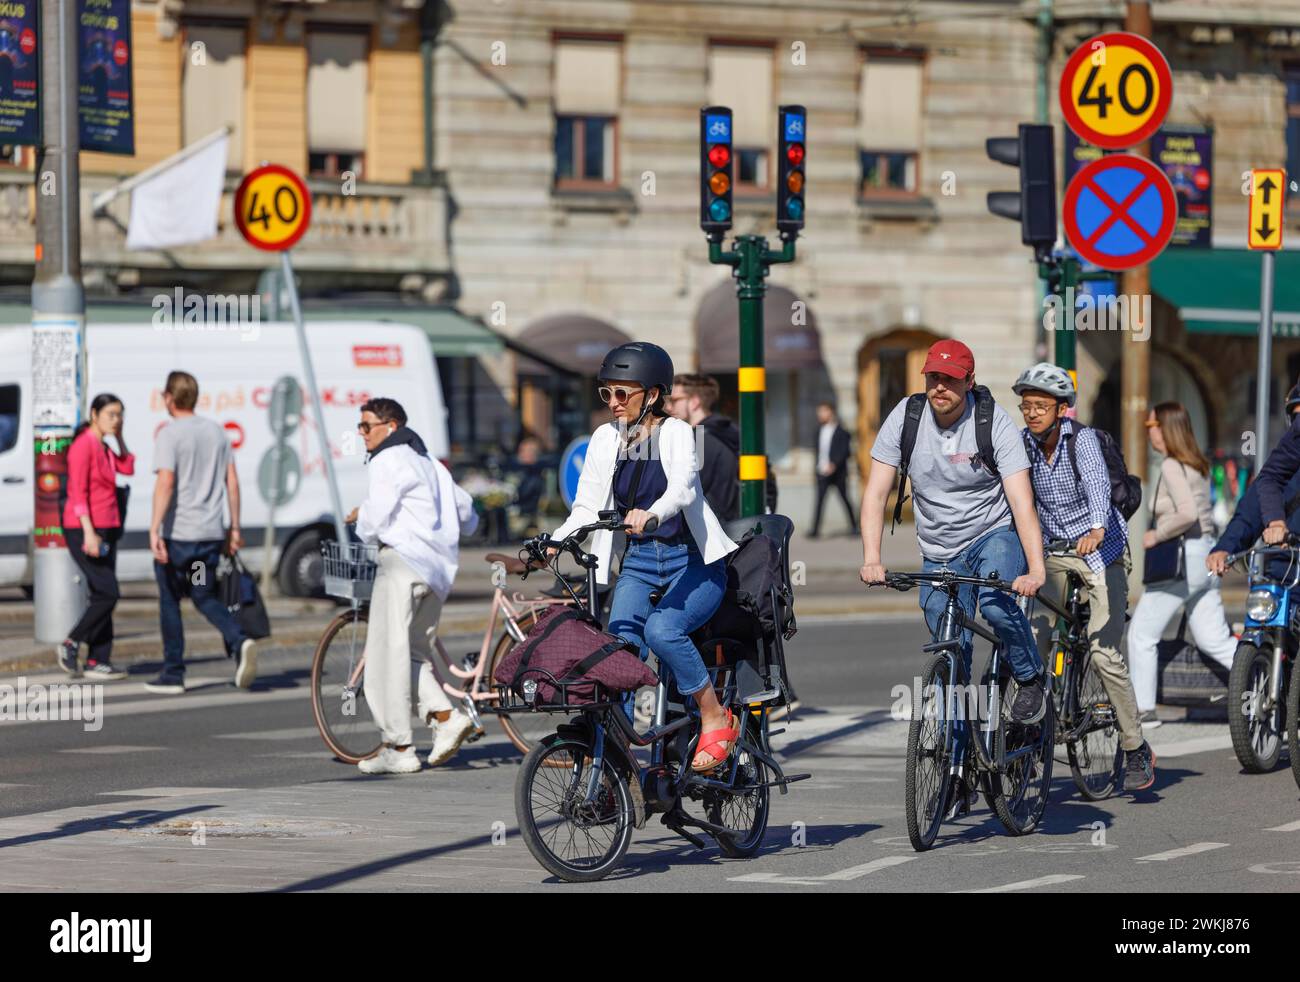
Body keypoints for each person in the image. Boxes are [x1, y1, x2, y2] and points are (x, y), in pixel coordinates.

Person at [549, 342, 740, 772]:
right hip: (638, 560)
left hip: (692, 560)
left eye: (622, 394)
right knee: (618, 648)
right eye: (607, 393)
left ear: (651, 395)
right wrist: (554, 541)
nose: (613, 403)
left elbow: (683, 489)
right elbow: (586, 506)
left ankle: (713, 714)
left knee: (662, 631)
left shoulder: (675, 433)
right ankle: (615, 756)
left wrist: (653, 514)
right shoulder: (605, 439)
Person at [860, 339, 1050, 728]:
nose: (940, 387)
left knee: (996, 603)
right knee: (951, 649)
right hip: (939, 546)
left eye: (950, 379)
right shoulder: (907, 416)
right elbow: (876, 493)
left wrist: (1035, 569)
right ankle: (957, 775)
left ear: (970, 381)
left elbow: (1021, 501)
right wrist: (872, 558)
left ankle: (1030, 676)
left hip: (991, 533)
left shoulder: (993, 422)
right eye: (933, 377)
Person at [1012, 364, 1153, 790]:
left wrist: (1097, 527)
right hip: (1055, 552)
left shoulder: (1083, 441)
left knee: (1104, 651)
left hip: (1102, 551)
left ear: (1061, 409)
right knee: (1034, 631)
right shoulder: (1022, 445)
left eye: (1040, 406)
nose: (1032, 413)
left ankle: (1134, 747)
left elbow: (1096, 485)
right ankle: (1030, 729)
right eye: (1026, 405)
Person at [347, 397, 480, 775]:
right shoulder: (429, 462)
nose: (361, 433)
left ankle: (399, 747)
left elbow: (377, 516)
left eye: (366, 426)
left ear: (390, 426)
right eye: (360, 426)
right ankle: (446, 718)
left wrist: (362, 525)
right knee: (413, 652)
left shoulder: (388, 459)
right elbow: (468, 513)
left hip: (402, 562)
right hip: (437, 571)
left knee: (386, 655)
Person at [145, 371, 257, 694]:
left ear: (169, 397)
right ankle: (239, 639)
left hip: (178, 537)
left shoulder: (170, 434)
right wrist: (234, 527)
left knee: (169, 599)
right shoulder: (217, 432)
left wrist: (154, 529)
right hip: (208, 537)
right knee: (202, 594)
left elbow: (165, 483)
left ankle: (173, 672)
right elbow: (231, 482)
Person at [1126, 402, 1236, 724]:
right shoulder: (1196, 464)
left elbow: (1186, 514)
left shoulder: (1173, 466)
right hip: (1204, 557)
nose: (1148, 432)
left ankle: (1144, 710)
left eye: (1151, 426)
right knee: (1213, 640)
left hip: (1181, 559)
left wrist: (1156, 534)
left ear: (1165, 428)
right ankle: (1268, 677)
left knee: (1141, 634)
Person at [57, 393, 133, 681]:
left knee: (101, 593)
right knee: (108, 592)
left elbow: (127, 467)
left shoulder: (103, 446)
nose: (117, 420)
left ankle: (98, 659)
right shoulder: (83, 446)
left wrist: (120, 438)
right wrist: (89, 532)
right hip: (85, 528)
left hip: (107, 526)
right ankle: (71, 641)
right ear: (94, 414)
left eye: (120, 415)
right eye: (111, 414)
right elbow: (77, 492)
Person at [665, 373, 778, 521]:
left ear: (694, 402)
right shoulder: (729, 430)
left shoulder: (698, 439)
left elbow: (685, 489)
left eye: (674, 400)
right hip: (737, 527)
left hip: (713, 530)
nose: (668, 407)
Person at [811, 402, 858, 537]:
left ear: (831, 412)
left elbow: (846, 452)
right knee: (819, 501)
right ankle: (815, 530)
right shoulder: (818, 431)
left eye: (823, 411)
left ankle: (854, 527)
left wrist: (834, 464)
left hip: (838, 473)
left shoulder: (842, 432)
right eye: (819, 412)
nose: (820, 415)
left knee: (845, 499)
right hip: (822, 472)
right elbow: (818, 452)